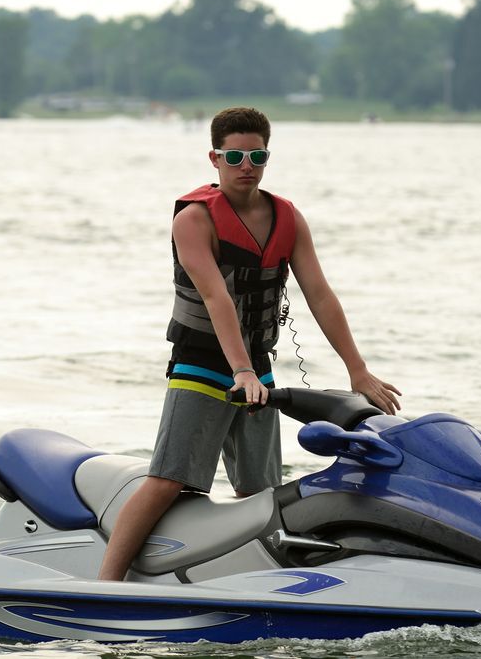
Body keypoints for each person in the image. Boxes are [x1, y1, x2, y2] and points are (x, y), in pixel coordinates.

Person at [97, 107, 401, 581]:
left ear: (267, 157)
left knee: (262, 491)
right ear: (214, 159)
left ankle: (259, 581)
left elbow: (319, 294)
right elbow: (217, 297)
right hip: (201, 366)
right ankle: (107, 585)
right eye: (234, 156)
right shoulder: (194, 220)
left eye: (256, 155)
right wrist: (238, 371)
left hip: (257, 369)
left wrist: (357, 370)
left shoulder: (287, 217)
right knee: (169, 481)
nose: (246, 165)